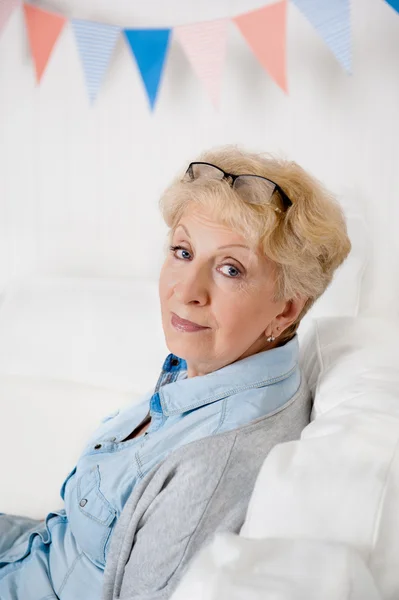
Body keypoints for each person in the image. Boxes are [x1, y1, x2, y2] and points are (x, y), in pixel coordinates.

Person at [0, 146, 351, 600]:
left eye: (230, 268)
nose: (186, 292)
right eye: (183, 251)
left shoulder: (213, 465)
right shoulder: (209, 371)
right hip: (30, 551)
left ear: (286, 309)